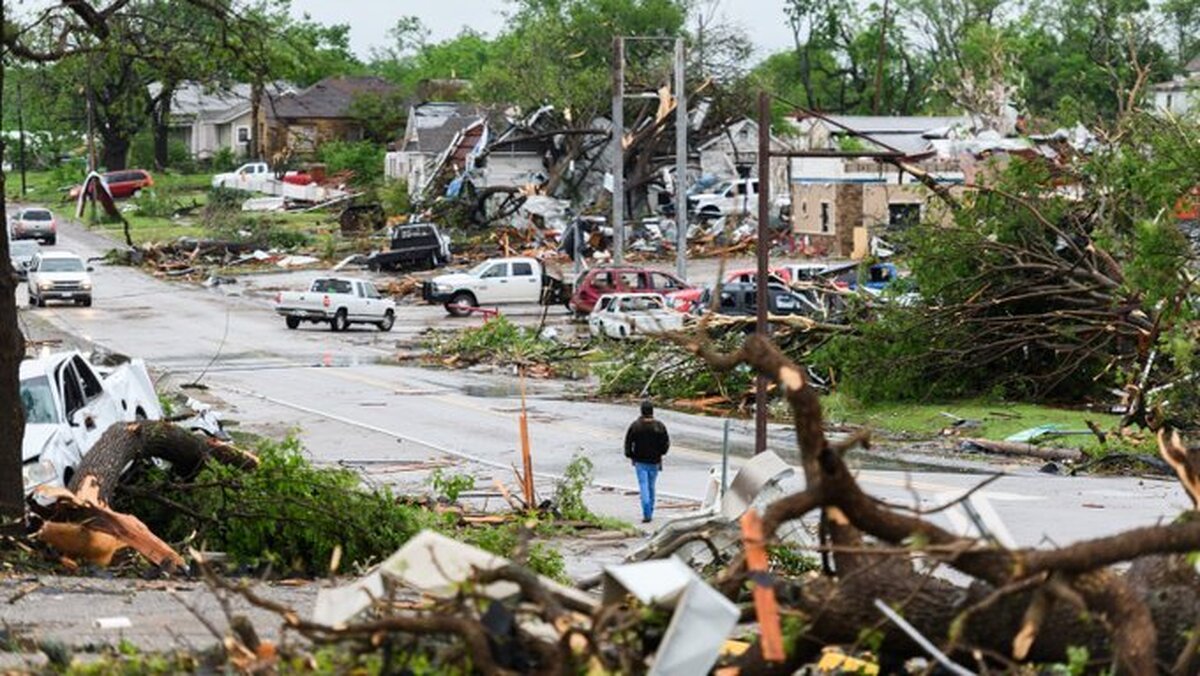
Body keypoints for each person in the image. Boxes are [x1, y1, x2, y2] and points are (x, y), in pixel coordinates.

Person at [624, 400, 670, 523]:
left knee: (643, 486)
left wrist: (630, 455)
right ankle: (651, 509)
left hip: (640, 461)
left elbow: (628, 442)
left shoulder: (635, 426)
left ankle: (646, 512)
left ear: (641, 411)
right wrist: (661, 453)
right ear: (652, 411)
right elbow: (665, 443)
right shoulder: (659, 426)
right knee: (651, 486)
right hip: (655, 461)